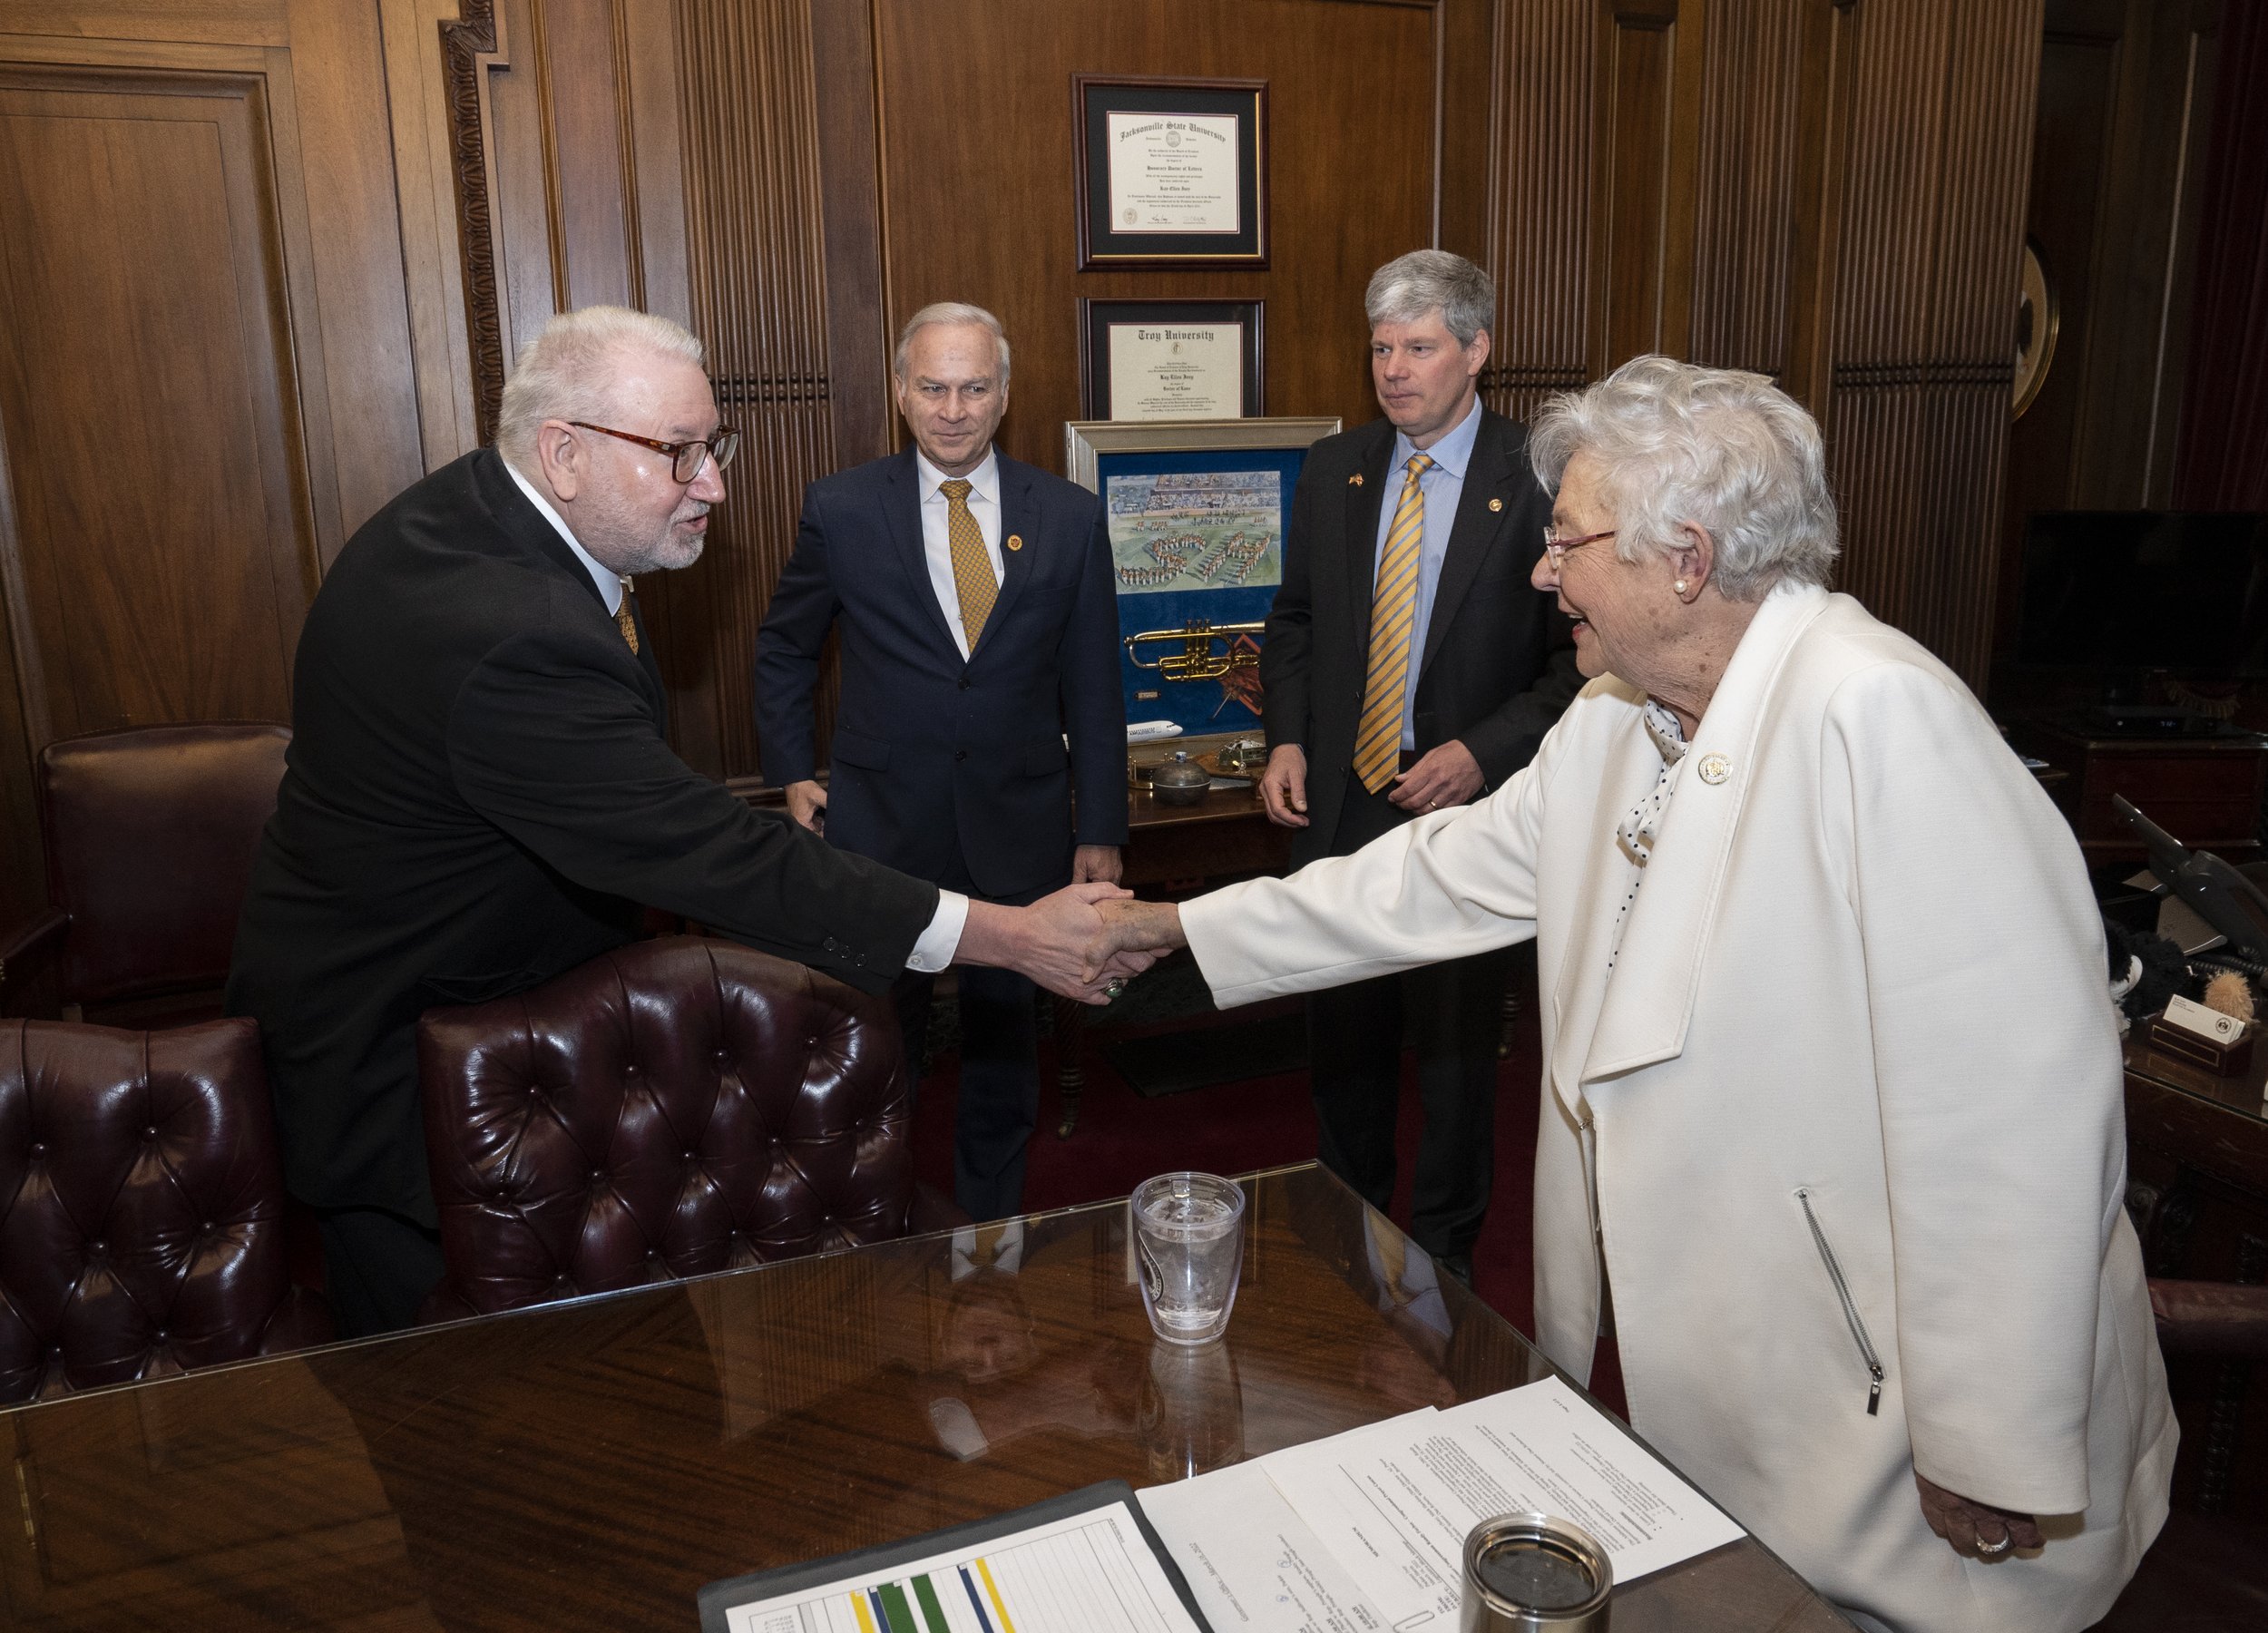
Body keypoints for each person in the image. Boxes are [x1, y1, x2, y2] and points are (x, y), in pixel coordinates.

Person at [1093, 357, 2175, 1632]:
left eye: (1567, 542)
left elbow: (2019, 1107)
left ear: (1686, 558)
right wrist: (1173, 923)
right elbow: (1421, 886)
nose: (1542, 573)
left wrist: (1994, 1434)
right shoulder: (1615, 720)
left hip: (1901, 1412)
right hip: (1742, 1377)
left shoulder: (1880, 718)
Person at [228, 306, 1139, 1337]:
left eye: (714, 447)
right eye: (681, 456)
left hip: (517, 1035)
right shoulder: (500, 630)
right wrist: (1009, 935)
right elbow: (710, 851)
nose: (714, 483)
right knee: (475, 1424)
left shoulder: (516, 527)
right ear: (563, 452)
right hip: (409, 1073)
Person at [755, 302, 1125, 1220]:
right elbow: (785, 647)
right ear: (899, 393)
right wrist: (790, 765)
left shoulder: (1070, 516)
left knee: (1006, 1036)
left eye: (973, 388)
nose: (952, 409)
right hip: (883, 825)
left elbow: (1095, 684)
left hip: (1021, 824)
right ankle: (881, 1220)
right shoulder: (840, 509)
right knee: (881, 1040)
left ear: (1002, 396)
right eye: (933, 388)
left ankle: (992, 1231)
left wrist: (1102, 829)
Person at [1256, 250, 1578, 1284]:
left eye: (1420, 347)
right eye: (1382, 348)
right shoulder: (1336, 468)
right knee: (1341, 1045)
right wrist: (1289, 738)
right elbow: (1296, 621)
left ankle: (1439, 1263)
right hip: (1342, 807)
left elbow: (1581, 666)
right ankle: (1346, 1238)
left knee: (1452, 1063)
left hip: (1465, 818)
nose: (1395, 369)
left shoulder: (1538, 480)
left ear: (1477, 351)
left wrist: (1481, 755)